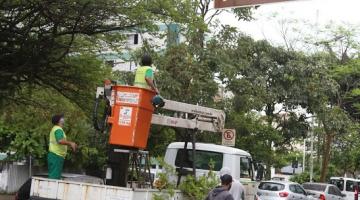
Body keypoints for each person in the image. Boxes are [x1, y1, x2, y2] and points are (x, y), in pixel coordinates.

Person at [48, 114, 77, 179]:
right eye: (62, 118)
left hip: (55, 155)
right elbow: (60, 141)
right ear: (59, 120)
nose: (63, 119)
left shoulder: (56, 129)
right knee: (54, 178)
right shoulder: (58, 129)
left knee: (55, 177)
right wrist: (71, 143)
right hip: (56, 155)